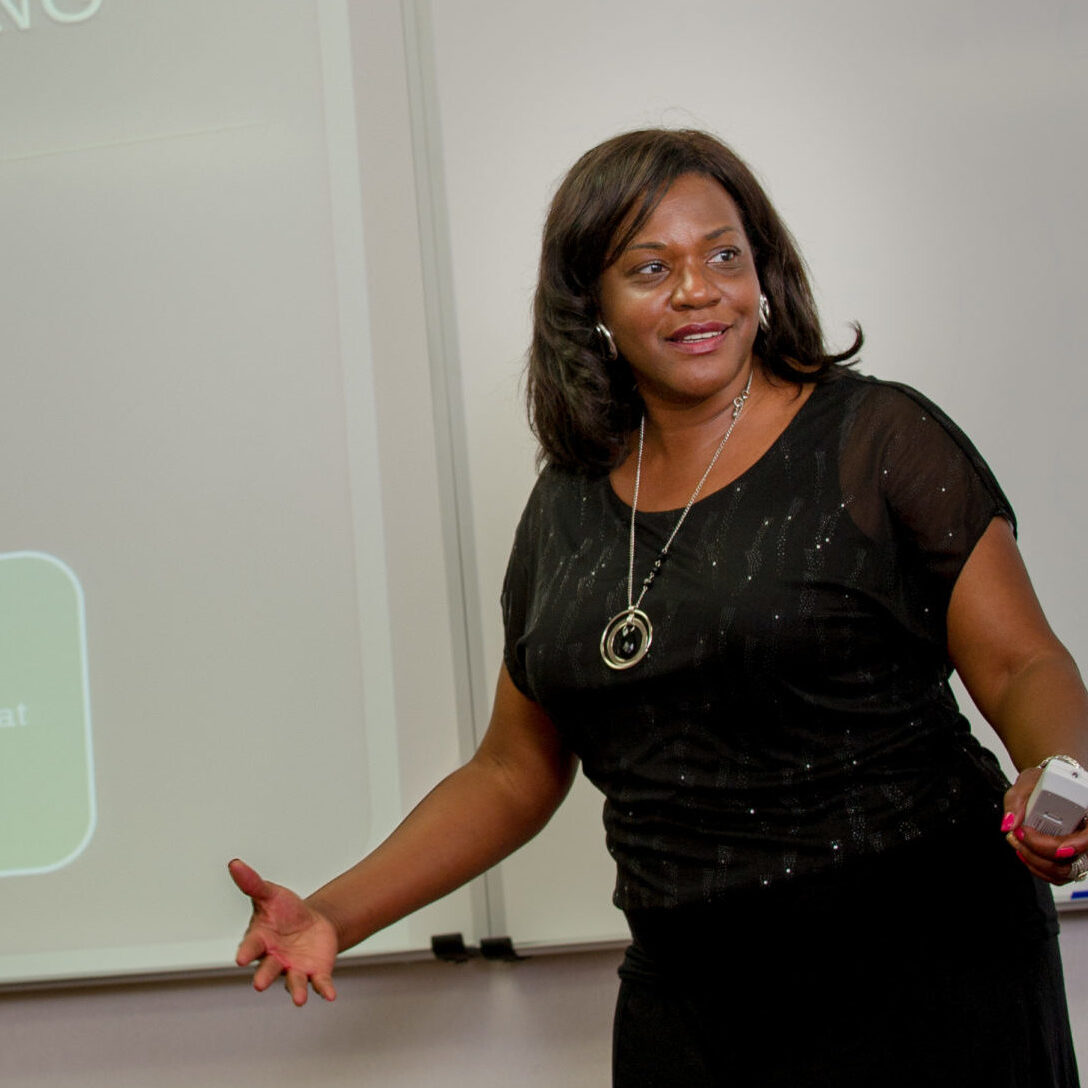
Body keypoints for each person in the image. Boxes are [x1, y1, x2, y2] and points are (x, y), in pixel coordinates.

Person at [229, 129, 1087, 1086]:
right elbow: (515, 769)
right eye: (650, 267)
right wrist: (336, 913)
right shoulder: (566, 503)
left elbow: (1023, 665)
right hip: (695, 1002)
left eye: (724, 254)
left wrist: (1060, 767)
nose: (697, 290)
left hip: (931, 970)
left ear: (764, 269)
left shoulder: (877, 438)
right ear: (589, 304)